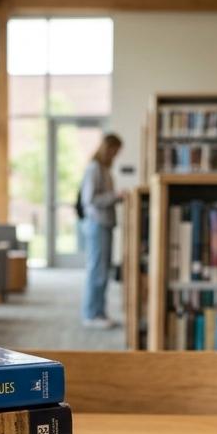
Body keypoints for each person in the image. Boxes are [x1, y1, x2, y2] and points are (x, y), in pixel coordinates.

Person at [79, 132, 124, 329]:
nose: (116, 155)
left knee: (103, 270)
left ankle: (100, 312)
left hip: (105, 224)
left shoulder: (104, 169)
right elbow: (89, 200)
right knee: (97, 270)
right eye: (115, 151)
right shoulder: (94, 168)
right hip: (97, 224)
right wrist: (114, 196)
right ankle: (91, 314)